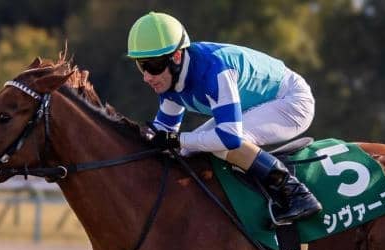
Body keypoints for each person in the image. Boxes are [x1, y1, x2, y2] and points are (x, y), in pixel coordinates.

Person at [128, 11, 322, 224]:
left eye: (152, 66)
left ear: (176, 57)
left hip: (292, 101)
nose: (147, 77)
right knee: (187, 151)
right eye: (141, 66)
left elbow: (229, 138)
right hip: (256, 105)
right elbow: (162, 133)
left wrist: (176, 139)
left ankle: (295, 192)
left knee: (220, 144)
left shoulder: (213, 71)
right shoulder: (168, 79)